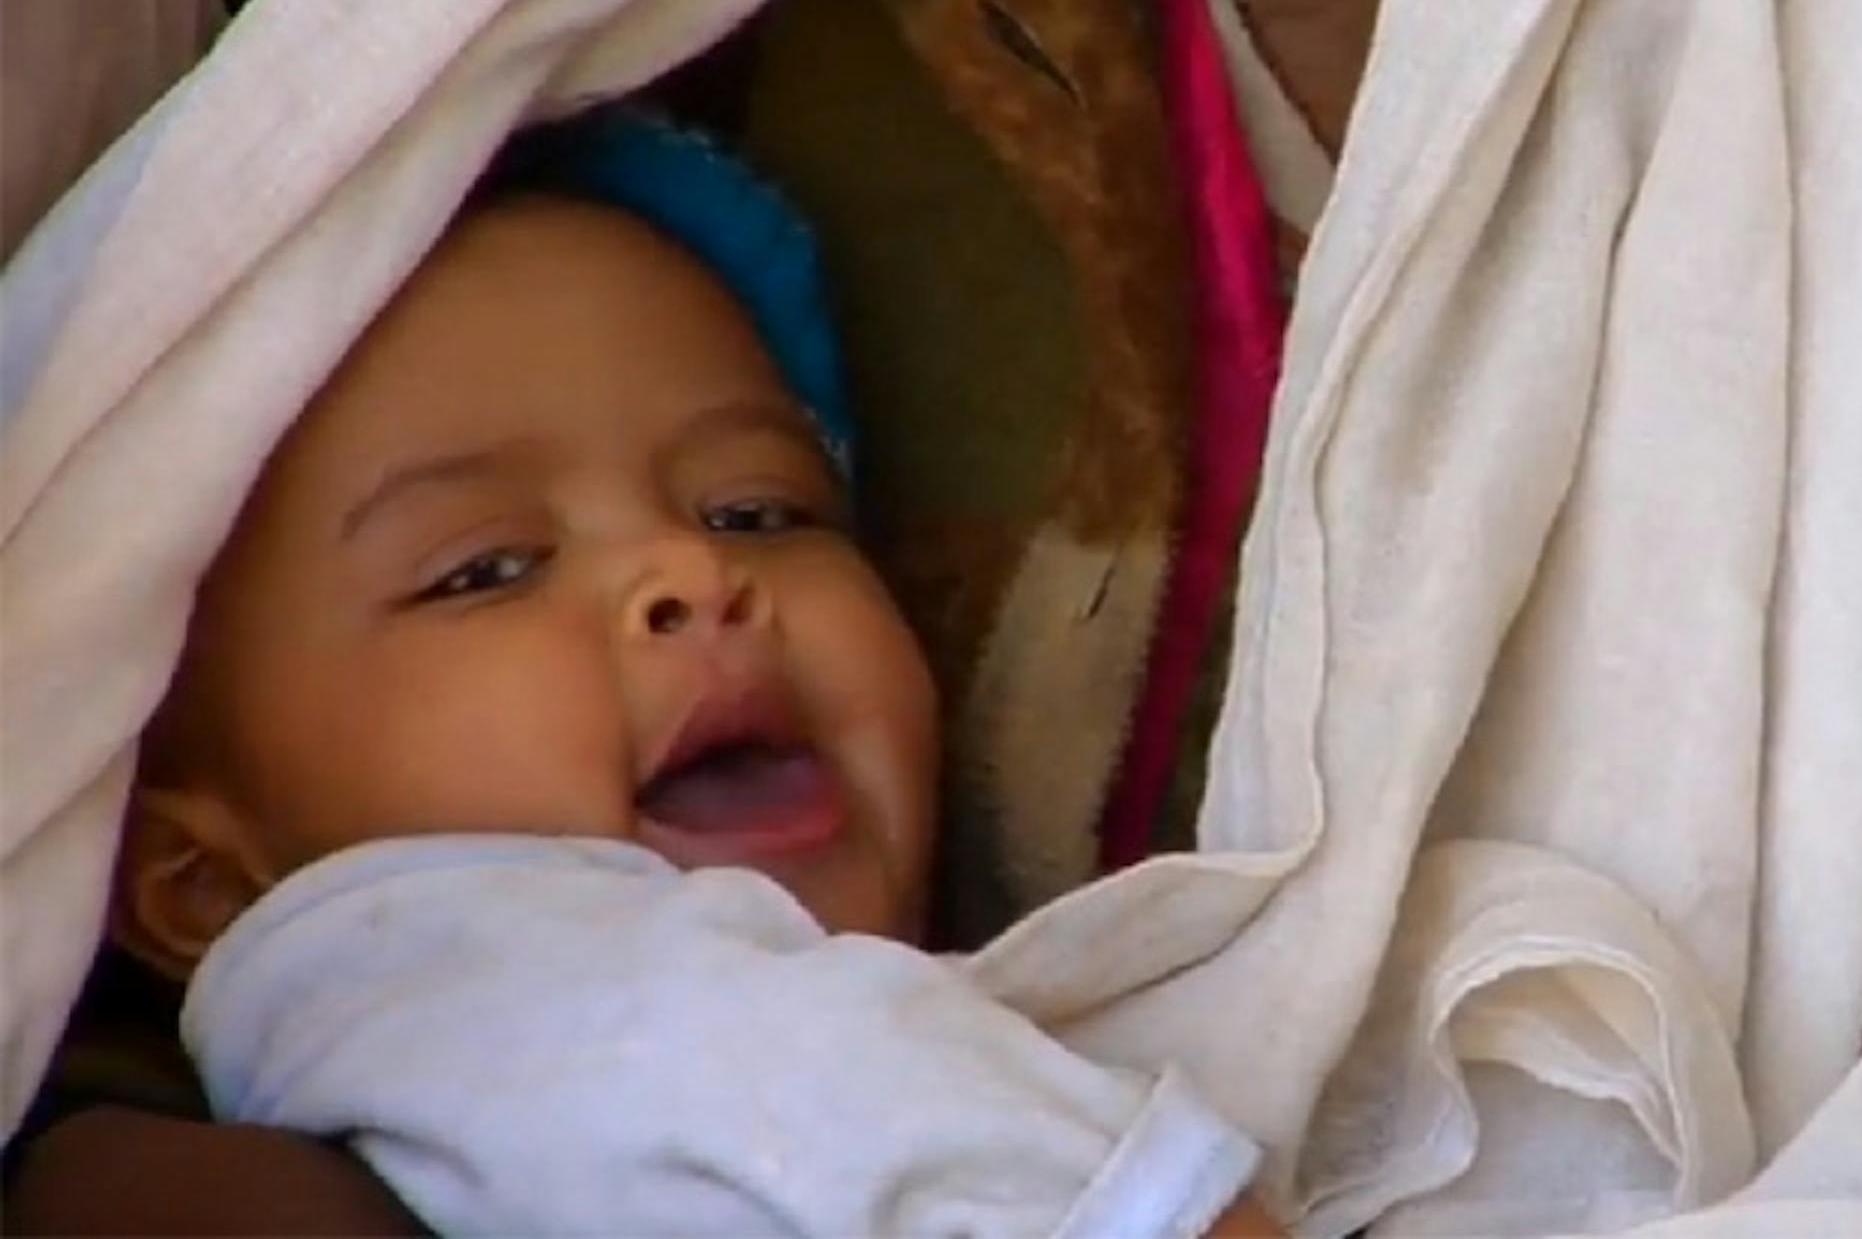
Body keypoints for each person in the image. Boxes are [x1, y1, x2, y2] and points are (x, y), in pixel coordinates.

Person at [9, 111, 1282, 1237]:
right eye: (486, 569)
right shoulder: (536, 980)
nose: (686, 568)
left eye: (759, 510)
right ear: (201, 885)